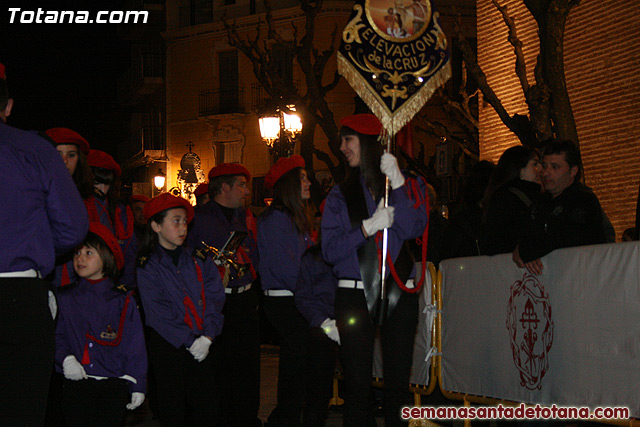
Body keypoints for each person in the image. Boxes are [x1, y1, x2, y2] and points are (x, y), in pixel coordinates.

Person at [321, 114, 428, 427]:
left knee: (398, 383)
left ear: (368, 144)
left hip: (399, 291)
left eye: (348, 140)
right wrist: (365, 229)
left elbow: (412, 229)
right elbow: (329, 250)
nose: (341, 147)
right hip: (354, 294)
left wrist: (398, 184)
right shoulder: (339, 196)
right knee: (356, 383)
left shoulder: (409, 184)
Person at [0, 62, 89, 426]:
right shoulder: (34, 149)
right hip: (19, 294)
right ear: (7, 107)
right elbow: (72, 225)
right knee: (21, 405)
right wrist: (31, 249)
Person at [137, 193, 225, 426]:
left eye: (185, 221)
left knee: (207, 406)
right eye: (175, 221)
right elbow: (158, 312)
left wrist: (208, 335)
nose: (182, 227)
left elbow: (214, 296)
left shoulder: (198, 259)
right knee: (172, 407)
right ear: (156, 225)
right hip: (169, 344)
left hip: (202, 340)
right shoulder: (148, 265)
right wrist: (189, 340)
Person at [187, 163, 261, 427]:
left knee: (248, 367)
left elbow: (255, 254)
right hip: (214, 302)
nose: (247, 191)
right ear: (224, 187)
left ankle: (245, 419)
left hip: (244, 298)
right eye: (241, 184)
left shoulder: (247, 216)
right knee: (218, 368)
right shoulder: (197, 218)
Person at [55, 222, 147, 426]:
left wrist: (138, 383)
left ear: (106, 258)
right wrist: (66, 359)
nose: (80, 258)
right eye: (77, 252)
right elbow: (57, 335)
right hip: (76, 382)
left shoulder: (122, 301)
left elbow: (135, 346)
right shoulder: (64, 297)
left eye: (89, 253)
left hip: (112, 385)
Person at [258, 155, 313, 427]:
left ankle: (286, 417)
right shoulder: (274, 220)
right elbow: (287, 268)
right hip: (285, 300)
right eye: (303, 178)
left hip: (296, 297)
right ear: (290, 184)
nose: (309, 182)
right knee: (297, 363)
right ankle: (283, 418)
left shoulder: (294, 218)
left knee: (297, 363)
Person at [514, 139, 608, 274]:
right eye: (544, 166)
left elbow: (563, 236)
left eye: (555, 167)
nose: (546, 173)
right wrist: (521, 246)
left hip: (583, 277)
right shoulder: (540, 201)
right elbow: (527, 231)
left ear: (573, 171)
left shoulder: (582, 199)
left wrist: (526, 249)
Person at [294, 227, 339, 427]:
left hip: (350, 322)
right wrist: (325, 323)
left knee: (359, 386)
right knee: (318, 389)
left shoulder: (354, 255)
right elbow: (303, 296)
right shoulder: (312, 258)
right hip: (323, 326)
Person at [86, 149, 138, 289]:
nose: (102, 189)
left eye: (106, 184)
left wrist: (127, 285)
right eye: (97, 183)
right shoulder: (79, 206)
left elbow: (129, 251)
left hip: (115, 280)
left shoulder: (121, 211)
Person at [480, 145, 542, 255]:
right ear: (520, 170)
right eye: (535, 164)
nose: (540, 169)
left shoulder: (538, 196)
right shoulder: (505, 200)